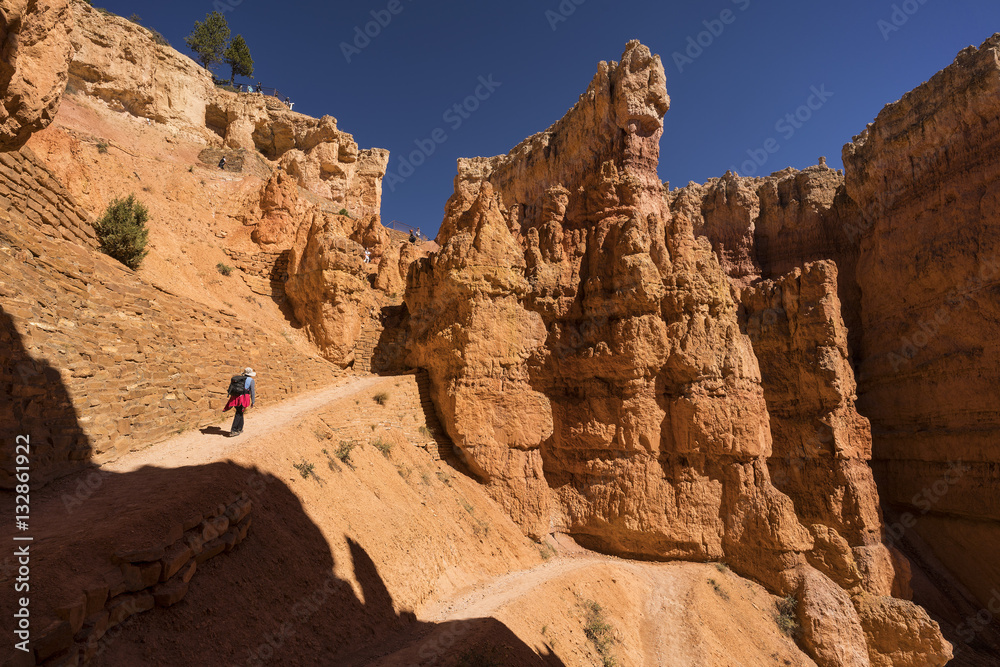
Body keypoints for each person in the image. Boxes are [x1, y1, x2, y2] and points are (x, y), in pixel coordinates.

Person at [223, 367, 256, 436]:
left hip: (235, 398)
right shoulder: (251, 380)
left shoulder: (239, 379)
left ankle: (239, 429)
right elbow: (252, 391)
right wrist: (253, 401)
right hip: (243, 398)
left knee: (240, 412)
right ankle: (233, 430)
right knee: (239, 413)